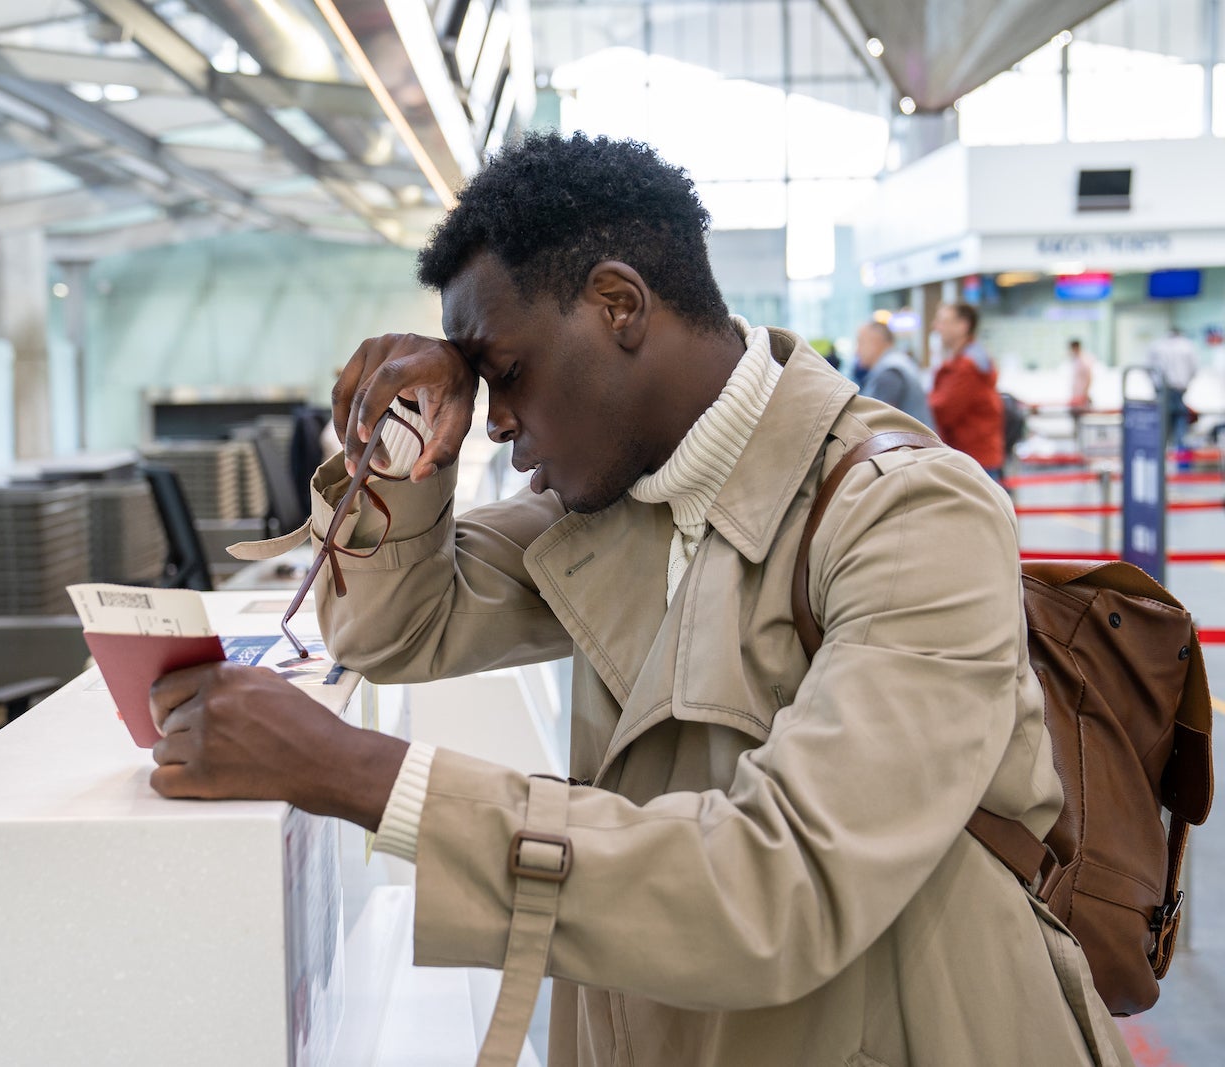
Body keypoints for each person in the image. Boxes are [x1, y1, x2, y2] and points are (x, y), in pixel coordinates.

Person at [146, 133, 1131, 1066]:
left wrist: (360, 774)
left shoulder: (912, 514)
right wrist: (411, 448)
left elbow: (779, 886)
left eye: (507, 372)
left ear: (618, 304)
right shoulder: (624, 493)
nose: (499, 424)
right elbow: (393, 628)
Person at [928, 302, 1006, 479]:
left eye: (942, 321)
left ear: (963, 326)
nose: (936, 327)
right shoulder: (973, 360)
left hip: (972, 460)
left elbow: (943, 410)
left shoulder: (966, 367)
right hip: (977, 456)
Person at [854, 319, 933, 427]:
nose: (857, 351)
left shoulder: (889, 372)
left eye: (860, 342)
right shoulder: (899, 362)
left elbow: (877, 423)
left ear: (876, 341)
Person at [1147, 327, 1198, 445]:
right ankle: (1178, 448)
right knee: (1178, 418)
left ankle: (1162, 449)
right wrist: (1187, 382)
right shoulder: (1187, 346)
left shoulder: (1157, 346)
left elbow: (1148, 368)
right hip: (1178, 387)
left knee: (1163, 418)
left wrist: (1154, 383)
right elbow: (1194, 369)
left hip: (1162, 387)